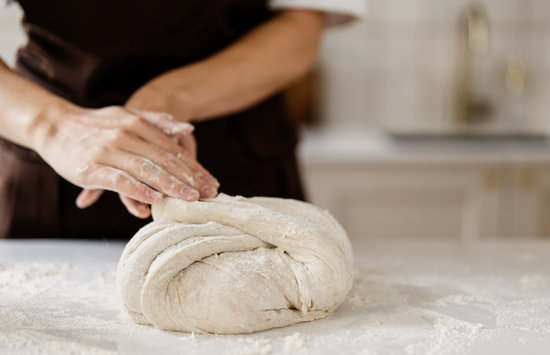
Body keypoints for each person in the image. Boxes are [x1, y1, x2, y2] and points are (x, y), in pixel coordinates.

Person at [0, 0, 365, 239]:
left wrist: (169, 99)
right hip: (51, 177)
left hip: (238, 166)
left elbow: (300, 26)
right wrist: (54, 126)